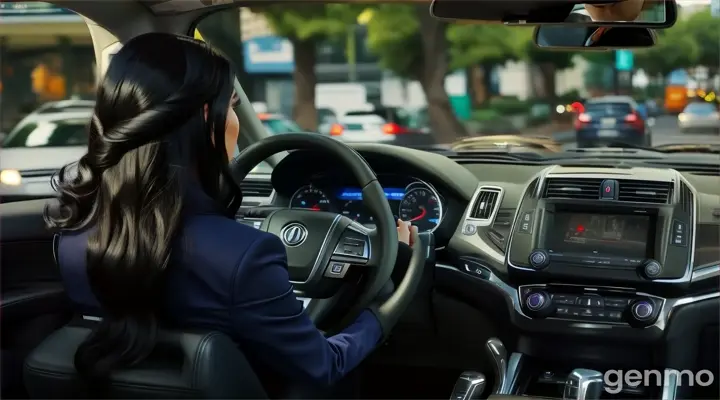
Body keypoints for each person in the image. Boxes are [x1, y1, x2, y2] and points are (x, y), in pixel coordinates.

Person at [46, 32, 416, 396]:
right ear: (209, 118)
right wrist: (387, 297)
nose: (235, 118)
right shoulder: (245, 256)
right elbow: (323, 365)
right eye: (233, 105)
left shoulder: (74, 234)